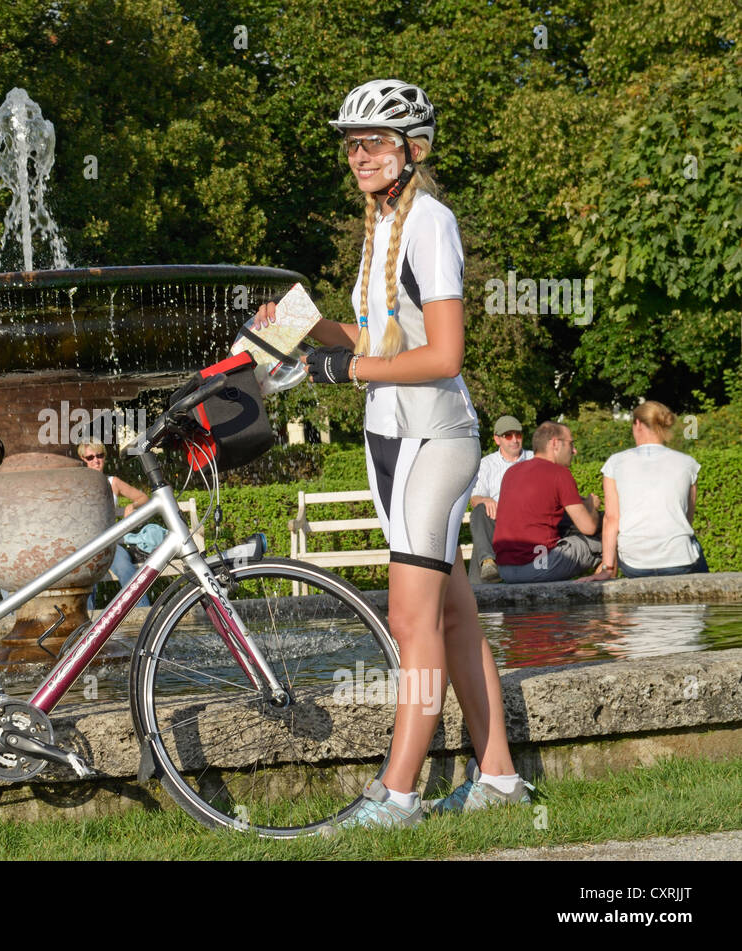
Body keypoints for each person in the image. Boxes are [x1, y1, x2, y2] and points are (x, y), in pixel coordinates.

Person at [256, 79, 528, 827]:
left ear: (414, 148)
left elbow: (443, 354)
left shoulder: (429, 221)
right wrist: (305, 328)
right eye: (352, 143)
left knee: (411, 621)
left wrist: (348, 369)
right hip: (389, 436)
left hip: (432, 436)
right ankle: (500, 777)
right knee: (453, 615)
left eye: (374, 141)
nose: (359, 156)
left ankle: (397, 793)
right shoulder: (381, 224)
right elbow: (377, 338)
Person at [583, 401, 707, 580]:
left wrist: (607, 569)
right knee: (692, 545)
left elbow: (611, 520)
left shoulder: (615, 463)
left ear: (638, 424)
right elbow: (687, 518)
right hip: (679, 560)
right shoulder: (688, 463)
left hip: (635, 564)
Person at [493, 421, 602, 583]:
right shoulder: (559, 473)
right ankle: (602, 587)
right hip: (539, 566)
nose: (574, 450)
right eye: (571, 444)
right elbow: (588, 526)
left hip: (505, 570)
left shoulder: (511, 472)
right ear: (555, 443)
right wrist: (592, 506)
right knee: (606, 537)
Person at [78, 439, 150, 609]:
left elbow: (143, 497)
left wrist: (132, 505)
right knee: (87, 575)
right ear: (83, 459)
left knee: (126, 568)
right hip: (88, 545)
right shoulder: (79, 484)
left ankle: (145, 613)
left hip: (111, 544)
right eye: (90, 457)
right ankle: (88, 626)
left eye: (100, 455)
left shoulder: (113, 482)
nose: (96, 460)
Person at [468, 415, 533, 583]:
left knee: (482, 543)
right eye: (508, 435)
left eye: (518, 434)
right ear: (497, 439)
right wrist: (485, 500)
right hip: (499, 521)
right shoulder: (486, 464)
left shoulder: (534, 458)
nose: (515, 440)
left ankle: (481, 585)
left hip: (530, 520)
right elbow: (474, 499)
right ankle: (488, 563)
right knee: (480, 511)